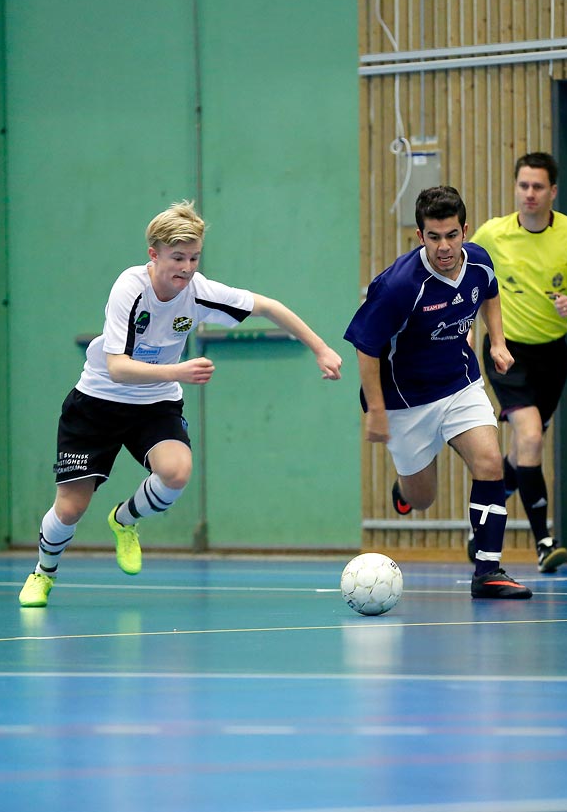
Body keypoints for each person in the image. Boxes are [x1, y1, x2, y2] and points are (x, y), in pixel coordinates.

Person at [18, 200, 343, 607]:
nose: (186, 268)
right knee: (69, 509)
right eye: (177, 258)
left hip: (154, 404)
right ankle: (43, 572)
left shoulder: (199, 292)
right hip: (98, 402)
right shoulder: (130, 289)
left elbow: (268, 307)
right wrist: (178, 372)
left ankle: (124, 520)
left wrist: (320, 348)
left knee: (176, 472)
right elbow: (118, 368)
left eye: (194, 257)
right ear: (153, 255)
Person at [344, 185, 532, 599]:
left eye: (451, 235)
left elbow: (491, 292)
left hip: (459, 383)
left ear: (464, 230)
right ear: (419, 236)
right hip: (405, 402)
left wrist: (497, 342)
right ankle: (403, 490)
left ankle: (488, 571)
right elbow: (366, 345)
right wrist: (376, 409)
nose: (444, 246)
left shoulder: (479, 261)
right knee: (422, 498)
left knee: (489, 461)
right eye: (433, 236)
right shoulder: (398, 286)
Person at [470, 152, 567, 573]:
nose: (529, 194)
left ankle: (481, 526)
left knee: (524, 450)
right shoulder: (493, 234)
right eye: (523, 186)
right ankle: (544, 543)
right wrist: (465, 324)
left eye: (537, 187)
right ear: (515, 188)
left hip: (553, 355)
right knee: (530, 438)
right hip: (506, 350)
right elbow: (465, 272)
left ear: (553, 191)